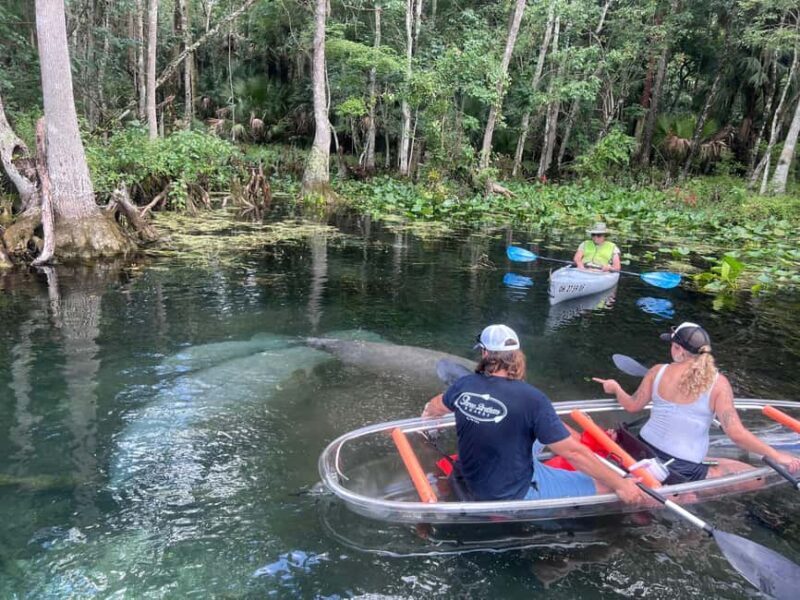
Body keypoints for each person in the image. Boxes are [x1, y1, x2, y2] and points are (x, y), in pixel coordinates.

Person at [422, 324, 648, 504]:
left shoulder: (462, 387)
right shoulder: (533, 398)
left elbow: (434, 407)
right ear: (516, 355)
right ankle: (640, 499)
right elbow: (573, 455)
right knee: (608, 487)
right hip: (512, 490)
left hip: (474, 476)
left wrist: (430, 421)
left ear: (484, 353)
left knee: (544, 427)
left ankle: (570, 440)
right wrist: (620, 484)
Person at [593, 322, 800, 483]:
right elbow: (736, 433)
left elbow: (631, 406)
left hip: (640, 449)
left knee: (727, 464)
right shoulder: (719, 384)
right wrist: (776, 455)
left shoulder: (657, 371)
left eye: (672, 345)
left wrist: (616, 388)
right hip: (682, 467)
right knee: (756, 476)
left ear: (678, 349)